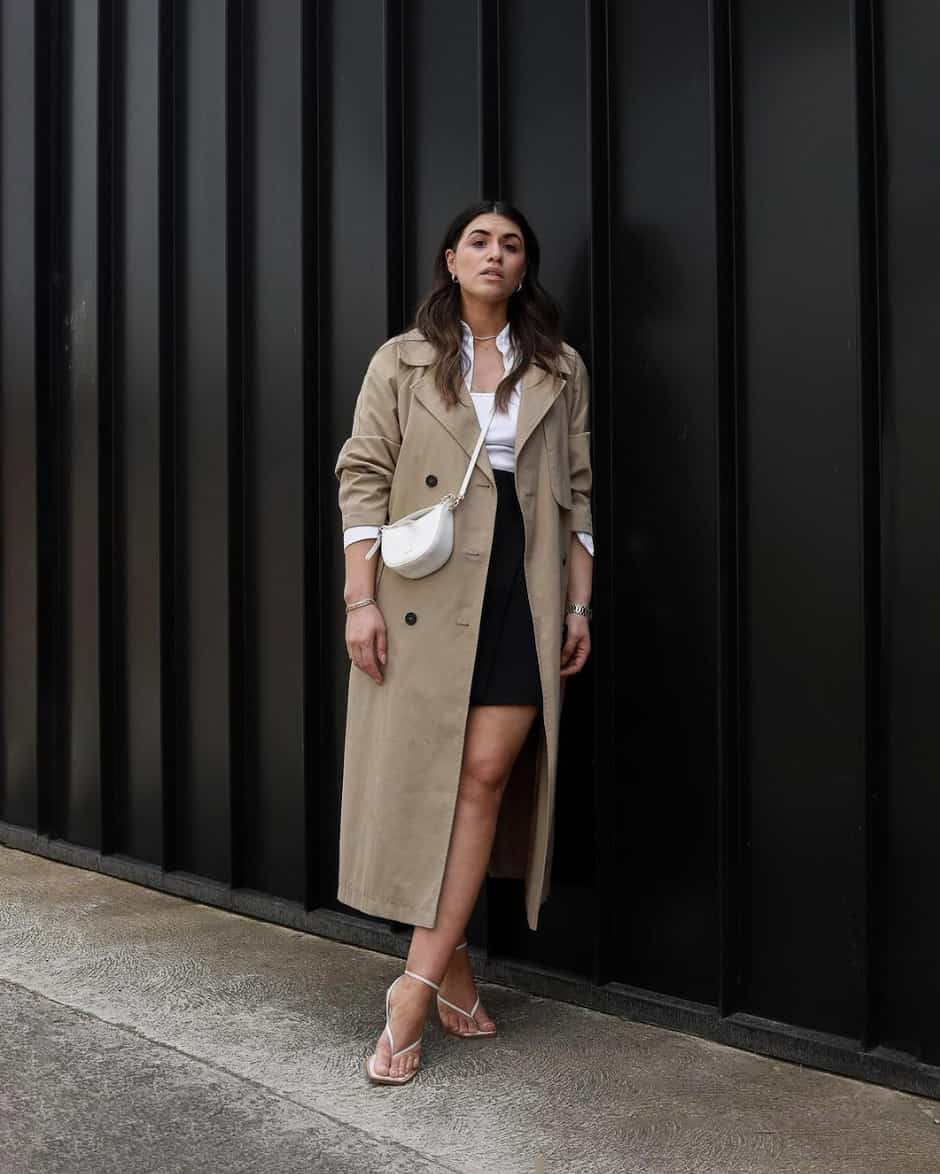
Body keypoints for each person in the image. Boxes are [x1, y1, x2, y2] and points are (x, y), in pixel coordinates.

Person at [334, 200, 595, 1085]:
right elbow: (362, 474)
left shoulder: (558, 368)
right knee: (429, 782)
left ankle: (409, 992)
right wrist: (358, 598)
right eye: (479, 241)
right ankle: (452, 976)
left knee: (483, 775)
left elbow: (580, 491)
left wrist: (580, 607)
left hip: (525, 581)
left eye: (512, 244)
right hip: (426, 587)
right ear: (451, 260)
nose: (495, 254)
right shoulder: (401, 362)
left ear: (525, 268)